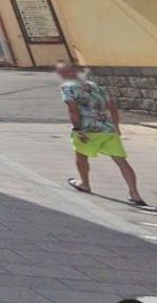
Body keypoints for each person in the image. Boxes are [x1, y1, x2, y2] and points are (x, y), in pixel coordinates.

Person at [57, 61, 146, 207]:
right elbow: (112, 108)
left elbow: (73, 109)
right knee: (121, 161)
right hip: (107, 127)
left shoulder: (67, 87)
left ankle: (85, 184)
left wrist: (77, 129)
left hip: (87, 128)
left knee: (81, 155)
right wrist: (116, 127)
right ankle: (135, 193)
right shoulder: (94, 86)